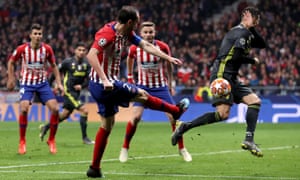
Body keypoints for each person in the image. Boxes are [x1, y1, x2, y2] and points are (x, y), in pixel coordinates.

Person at [86, 6, 190, 178]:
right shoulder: (108, 34)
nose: (138, 25)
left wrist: (168, 58)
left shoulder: (126, 33)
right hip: (104, 84)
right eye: (137, 22)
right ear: (129, 22)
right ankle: (175, 110)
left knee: (107, 125)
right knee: (142, 94)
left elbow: (146, 45)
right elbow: (91, 55)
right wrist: (104, 78)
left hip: (102, 85)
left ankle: (94, 168)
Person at [171, 6, 266, 157]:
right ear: (252, 18)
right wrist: (252, 60)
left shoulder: (246, 32)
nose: (259, 22)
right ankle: (184, 127)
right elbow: (236, 58)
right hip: (222, 76)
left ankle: (249, 140)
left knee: (255, 102)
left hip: (232, 77)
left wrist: (251, 27)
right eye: (257, 19)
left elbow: (262, 44)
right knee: (222, 114)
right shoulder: (240, 32)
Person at [119, 21, 192, 163]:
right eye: (145, 32)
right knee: (135, 118)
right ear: (141, 34)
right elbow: (129, 59)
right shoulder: (135, 48)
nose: (148, 34)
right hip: (142, 87)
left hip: (161, 88)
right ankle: (125, 148)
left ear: (155, 32)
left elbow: (169, 64)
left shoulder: (163, 47)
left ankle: (182, 149)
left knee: (174, 117)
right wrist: (129, 77)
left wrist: (171, 82)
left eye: (150, 32)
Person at [6, 23, 64, 154]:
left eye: (40, 34)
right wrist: (11, 78)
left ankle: (52, 140)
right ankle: (22, 141)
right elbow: (11, 62)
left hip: (42, 84)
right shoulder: (22, 49)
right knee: (24, 108)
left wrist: (59, 83)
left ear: (42, 35)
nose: (38, 36)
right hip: (27, 83)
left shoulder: (47, 49)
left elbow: (54, 66)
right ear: (30, 35)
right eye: (35, 34)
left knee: (55, 109)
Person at [39, 42, 95, 145]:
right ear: (75, 51)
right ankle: (85, 138)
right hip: (68, 91)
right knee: (84, 111)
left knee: (64, 115)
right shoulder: (67, 62)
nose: (81, 52)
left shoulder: (86, 64)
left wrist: (81, 86)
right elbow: (55, 71)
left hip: (76, 92)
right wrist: (51, 85)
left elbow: (89, 79)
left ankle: (45, 127)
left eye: (83, 50)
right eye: (79, 50)